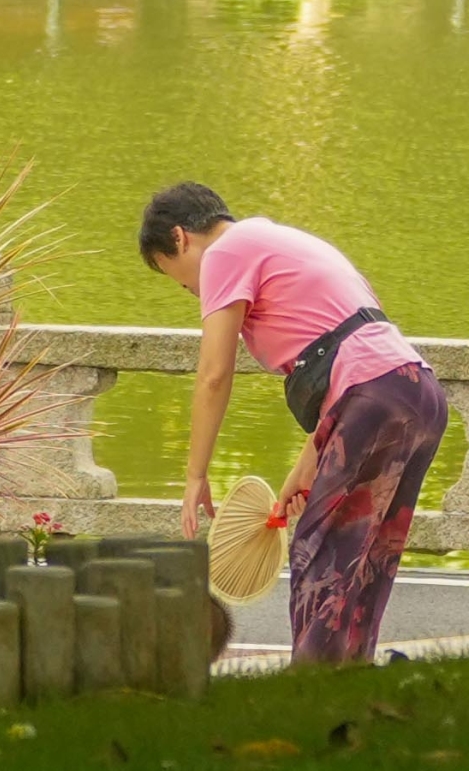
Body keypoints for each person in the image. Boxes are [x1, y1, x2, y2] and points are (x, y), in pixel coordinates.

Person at [141, 181, 441, 669]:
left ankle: (310, 686)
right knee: (366, 556)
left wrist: (196, 474)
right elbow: (350, 349)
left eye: (179, 280)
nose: (192, 290)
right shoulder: (288, 242)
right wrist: (307, 465)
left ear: (179, 238)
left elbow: (215, 374)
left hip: (370, 397)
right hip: (415, 392)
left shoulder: (223, 252)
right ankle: (351, 679)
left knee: (319, 555)